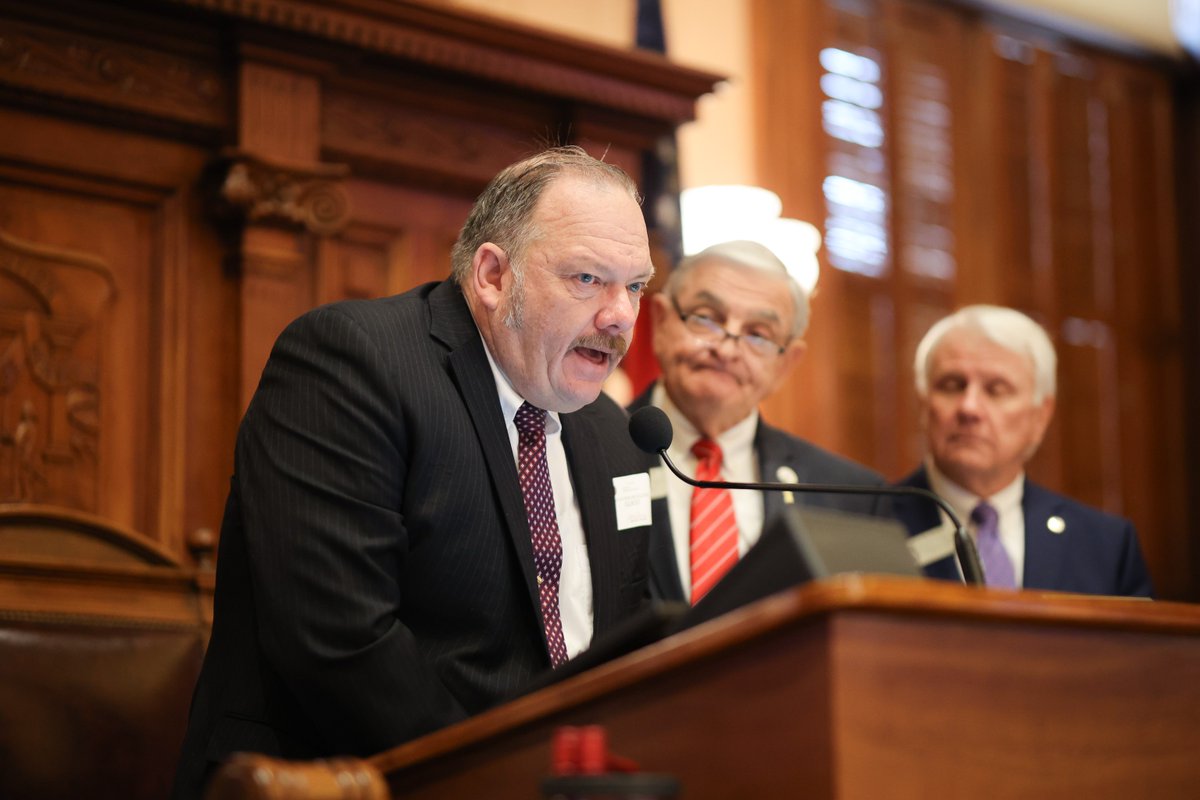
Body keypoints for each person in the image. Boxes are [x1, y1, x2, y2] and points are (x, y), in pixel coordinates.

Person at [171, 146, 660, 798]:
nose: (620, 316)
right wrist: (502, 783)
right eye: (587, 280)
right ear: (492, 274)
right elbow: (340, 642)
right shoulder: (355, 362)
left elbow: (623, 645)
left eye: (634, 286)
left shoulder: (614, 432)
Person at [628, 240, 890, 605]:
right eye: (706, 318)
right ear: (661, 321)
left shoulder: (849, 496)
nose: (727, 349)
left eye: (757, 335)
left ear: (786, 363)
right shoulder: (589, 451)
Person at [892, 304, 1153, 597]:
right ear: (924, 404)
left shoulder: (1106, 545)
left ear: (1041, 416)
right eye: (952, 385)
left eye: (996, 389)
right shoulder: (873, 525)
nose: (969, 408)